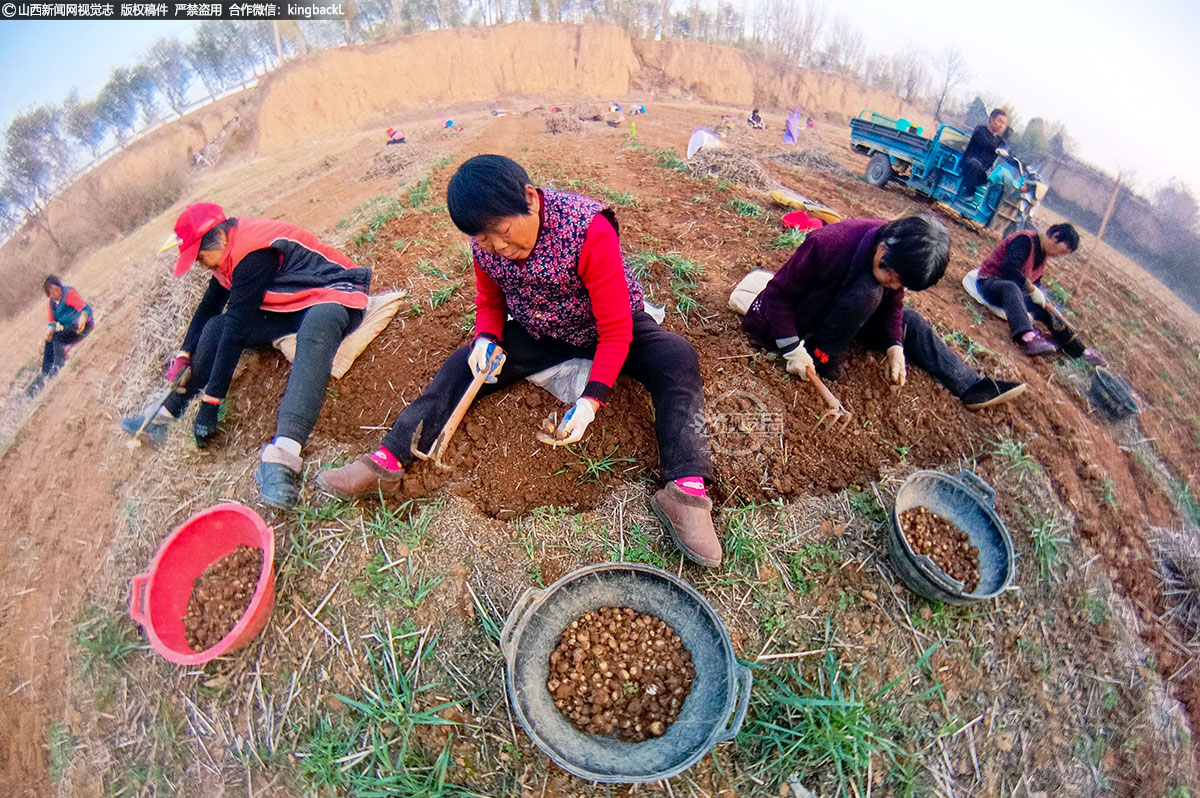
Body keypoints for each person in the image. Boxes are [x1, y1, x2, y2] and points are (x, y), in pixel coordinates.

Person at [318, 155, 722, 567]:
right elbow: (490, 300)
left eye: (505, 233)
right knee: (462, 367)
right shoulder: (487, 247)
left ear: (530, 197)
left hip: (606, 324)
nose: (498, 248)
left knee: (676, 357)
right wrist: (486, 337)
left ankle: (685, 490)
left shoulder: (587, 230)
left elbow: (616, 329)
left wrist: (589, 401)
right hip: (542, 329)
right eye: (484, 239)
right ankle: (388, 460)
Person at [121, 202, 370, 508]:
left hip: (332, 294)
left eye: (200, 257)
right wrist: (184, 354)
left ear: (220, 238)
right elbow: (209, 308)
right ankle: (167, 412)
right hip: (289, 307)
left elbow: (237, 329)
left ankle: (284, 457)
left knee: (315, 331)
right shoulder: (224, 257)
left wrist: (212, 404)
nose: (201, 265)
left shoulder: (253, 254)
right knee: (214, 328)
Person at [741, 215, 1028, 411]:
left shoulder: (895, 252)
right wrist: (792, 348)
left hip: (844, 315)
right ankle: (824, 359)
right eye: (894, 277)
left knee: (907, 320)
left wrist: (895, 346)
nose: (896, 287)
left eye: (902, 283)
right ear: (881, 250)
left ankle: (970, 385)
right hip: (803, 320)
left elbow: (893, 303)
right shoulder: (829, 244)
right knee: (869, 292)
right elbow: (777, 295)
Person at [975, 223, 1106, 364]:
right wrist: (1031, 289)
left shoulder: (1043, 257)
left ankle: (1079, 350)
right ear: (1055, 237)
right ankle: (1026, 337)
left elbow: (1034, 282)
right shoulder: (1025, 240)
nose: (1058, 256)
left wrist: (1042, 298)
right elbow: (1009, 269)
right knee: (1011, 286)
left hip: (1014, 296)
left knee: (1048, 308)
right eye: (1061, 251)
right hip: (991, 283)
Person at [33, 275, 94, 389]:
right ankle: (45, 372)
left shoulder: (69, 293)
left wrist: (83, 319)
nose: (58, 291)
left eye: (58, 288)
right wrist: (49, 332)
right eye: (54, 291)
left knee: (58, 340)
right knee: (51, 340)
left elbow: (85, 309)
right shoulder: (52, 304)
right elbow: (52, 322)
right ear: (49, 295)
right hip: (70, 329)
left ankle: (58, 367)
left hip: (83, 326)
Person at [958, 108, 1007, 200]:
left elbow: (1008, 152)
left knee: (1002, 178)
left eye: (1004, 124)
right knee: (975, 164)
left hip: (984, 171)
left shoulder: (1000, 141)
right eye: (999, 121)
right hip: (968, 166)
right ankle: (967, 193)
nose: (1001, 126)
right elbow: (985, 142)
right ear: (991, 119)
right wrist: (998, 150)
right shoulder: (980, 130)